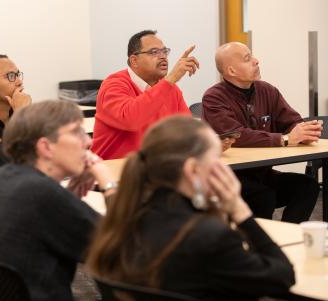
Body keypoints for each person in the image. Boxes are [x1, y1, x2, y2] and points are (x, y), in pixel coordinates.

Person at [86, 116, 295, 301]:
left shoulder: (121, 220)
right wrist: (240, 211)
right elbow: (282, 277)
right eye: (216, 160)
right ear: (193, 169)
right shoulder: (211, 237)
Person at [0, 100, 117, 301]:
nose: (88, 141)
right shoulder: (42, 193)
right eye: (76, 132)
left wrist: (69, 198)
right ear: (46, 147)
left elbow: (52, 224)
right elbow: (122, 248)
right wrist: (105, 179)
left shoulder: (1, 177)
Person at [202, 42, 320, 223]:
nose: (256, 61)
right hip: (231, 177)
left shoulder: (267, 90)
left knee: (307, 186)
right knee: (263, 196)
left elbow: (290, 121)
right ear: (232, 71)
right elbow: (237, 135)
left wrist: (304, 132)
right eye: (247, 59)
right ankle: (259, 246)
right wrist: (286, 139)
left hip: (262, 173)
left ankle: (286, 238)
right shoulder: (214, 97)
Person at [91, 29, 199, 159]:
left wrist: (207, 145)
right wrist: (170, 79)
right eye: (154, 52)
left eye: (165, 51)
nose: (163, 56)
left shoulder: (170, 88)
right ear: (134, 60)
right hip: (113, 171)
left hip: (154, 168)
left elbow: (187, 129)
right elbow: (132, 120)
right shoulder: (114, 85)